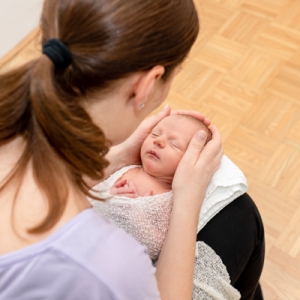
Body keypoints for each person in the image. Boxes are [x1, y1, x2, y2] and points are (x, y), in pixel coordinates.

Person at [0, 0, 264, 299]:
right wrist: (189, 197)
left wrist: (121, 155)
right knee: (242, 216)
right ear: (148, 84)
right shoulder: (109, 267)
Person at [90, 114, 243, 299]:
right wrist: (110, 196)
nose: (159, 142)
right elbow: (89, 198)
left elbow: (158, 246)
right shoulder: (124, 168)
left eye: (174, 144)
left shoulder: (169, 198)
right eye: (155, 134)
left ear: (191, 163)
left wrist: (135, 213)